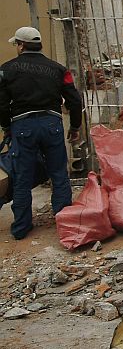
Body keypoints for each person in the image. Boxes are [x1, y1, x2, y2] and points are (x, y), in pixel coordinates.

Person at [0, 27, 83, 240]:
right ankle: (65, 223)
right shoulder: (58, 69)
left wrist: (6, 127)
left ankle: (21, 228)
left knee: (22, 178)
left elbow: (2, 105)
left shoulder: (6, 70)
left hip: (22, 126)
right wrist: (75, 127)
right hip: (52, 124)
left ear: (21, 46)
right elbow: (75, 101)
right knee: (58, 174)